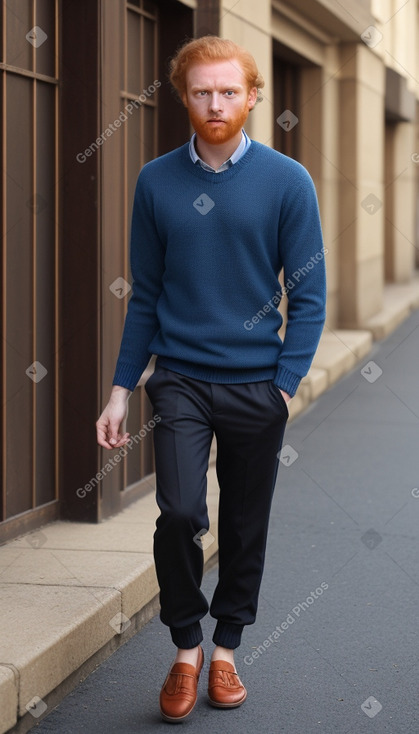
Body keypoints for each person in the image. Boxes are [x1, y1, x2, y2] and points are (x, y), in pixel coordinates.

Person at [96, 35, 326, 723]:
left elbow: (308, 294)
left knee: (245, 523)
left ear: (253, 96)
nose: (216, 103)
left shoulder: (287, 181)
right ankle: (185, 648)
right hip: (181, 381)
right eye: (202, 91)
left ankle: (225, 651)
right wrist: (119, 388)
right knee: (181, 514)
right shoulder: (156, 181)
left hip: (257, 383)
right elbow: (145, 293)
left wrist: (282, 386)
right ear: (183, 97)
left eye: (229, 91)